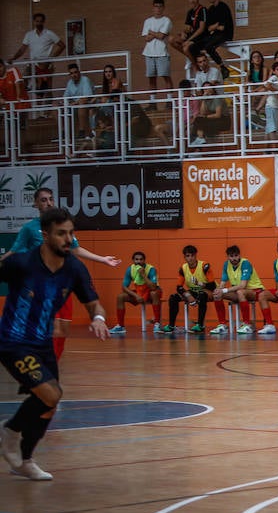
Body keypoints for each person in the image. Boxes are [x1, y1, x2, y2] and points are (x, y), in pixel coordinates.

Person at [1, 207, 108, 481]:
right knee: (51, 394)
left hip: (43, 343)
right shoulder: (21, 264)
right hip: (13, 342)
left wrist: (97, 318)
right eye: (61, 234)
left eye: (71, 233)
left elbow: (94, 303)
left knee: (48, 405)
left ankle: (24, 461)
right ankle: (10, 431)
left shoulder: (74, 269)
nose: (68, 239)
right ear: (45, 235)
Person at [2, 187, 118, 361]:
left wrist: (102, 259)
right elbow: (14, 251)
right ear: (35, 203)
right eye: (43, 200)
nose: (48, 203)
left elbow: (76, 249)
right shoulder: (29, 230)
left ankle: (48, 363)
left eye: (51, 199)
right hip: (38, 287)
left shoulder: (72, 261)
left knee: (61, 331)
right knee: (46, 329)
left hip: (60, 284)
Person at [163, 244, 224, 334]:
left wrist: (199, 283)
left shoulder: (204, 266)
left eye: (192, 255)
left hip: (210, 291)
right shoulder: (183, 268)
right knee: (173, 297)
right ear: (184, 257)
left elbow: (212, 285)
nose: (190, 258)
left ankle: (200, 325)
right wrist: (188, 295)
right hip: (194, 291)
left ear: (196, 255)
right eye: (188, 256)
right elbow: (179, 287)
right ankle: (171, 326)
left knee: (202, 295)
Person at [11, 12, 65, 101]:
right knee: (23, 80)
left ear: (43, 22)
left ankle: (48, 108)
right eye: (37, 21)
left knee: (47, 88)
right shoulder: (29, 35)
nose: (39, 23)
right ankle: (25, 99)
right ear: (34, 22)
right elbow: (22, 49)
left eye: (41, 21)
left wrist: (51, 58)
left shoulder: (49, 33)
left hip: (46, 64)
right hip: (33, 64)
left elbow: (62, 46)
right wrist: (13, 58)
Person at [213, 245, 263, 335]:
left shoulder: (245, 263)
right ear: (228, 257)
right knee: (217, 295)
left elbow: (243, 285)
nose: (234, 258)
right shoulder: (226, 265)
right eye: (231, 256)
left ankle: (247, 325)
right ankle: (222, 325)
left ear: (239, 255)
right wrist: (219, 290)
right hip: (239, 292)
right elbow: (223, 283)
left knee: (240, 292)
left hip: (255, 290)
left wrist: (224, 290)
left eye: (236, 255)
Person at [110, 251, 162, 334]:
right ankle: (120, 326)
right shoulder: (130, 269)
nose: (139, 261)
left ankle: (157, 324)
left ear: (144, 260)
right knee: (120, 297)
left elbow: (153, 287)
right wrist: (136, 296)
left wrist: (143, 275)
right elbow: (124, 287)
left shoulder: (151, 269)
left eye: (141, 259)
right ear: (133, 260)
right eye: (136, 259)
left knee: (154, 293)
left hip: (152, 292)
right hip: (139, 292)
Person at [189, 0, 234, 75]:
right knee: (193, 46)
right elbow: (209, 28)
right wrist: (215, 26)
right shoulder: (210, 9)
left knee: (208, 47)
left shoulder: (223, 7)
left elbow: (222, 27)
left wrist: (214, 27)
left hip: (225, 34)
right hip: (215, 34)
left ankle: (222, 67)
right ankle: (201, 66)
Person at [141, 0, 173, 93]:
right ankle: (152, 100)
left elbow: (161, 36)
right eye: (156, 6)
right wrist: (157, 33)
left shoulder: (166, 20)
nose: (158, 9)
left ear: (163, 8)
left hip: (162, 52)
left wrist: (151, 32)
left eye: (160, 6)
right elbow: (146, 38)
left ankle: (169, 99)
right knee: (151, 78)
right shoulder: (147, 21)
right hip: (149, 52)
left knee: (165, 76)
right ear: (153, 8)